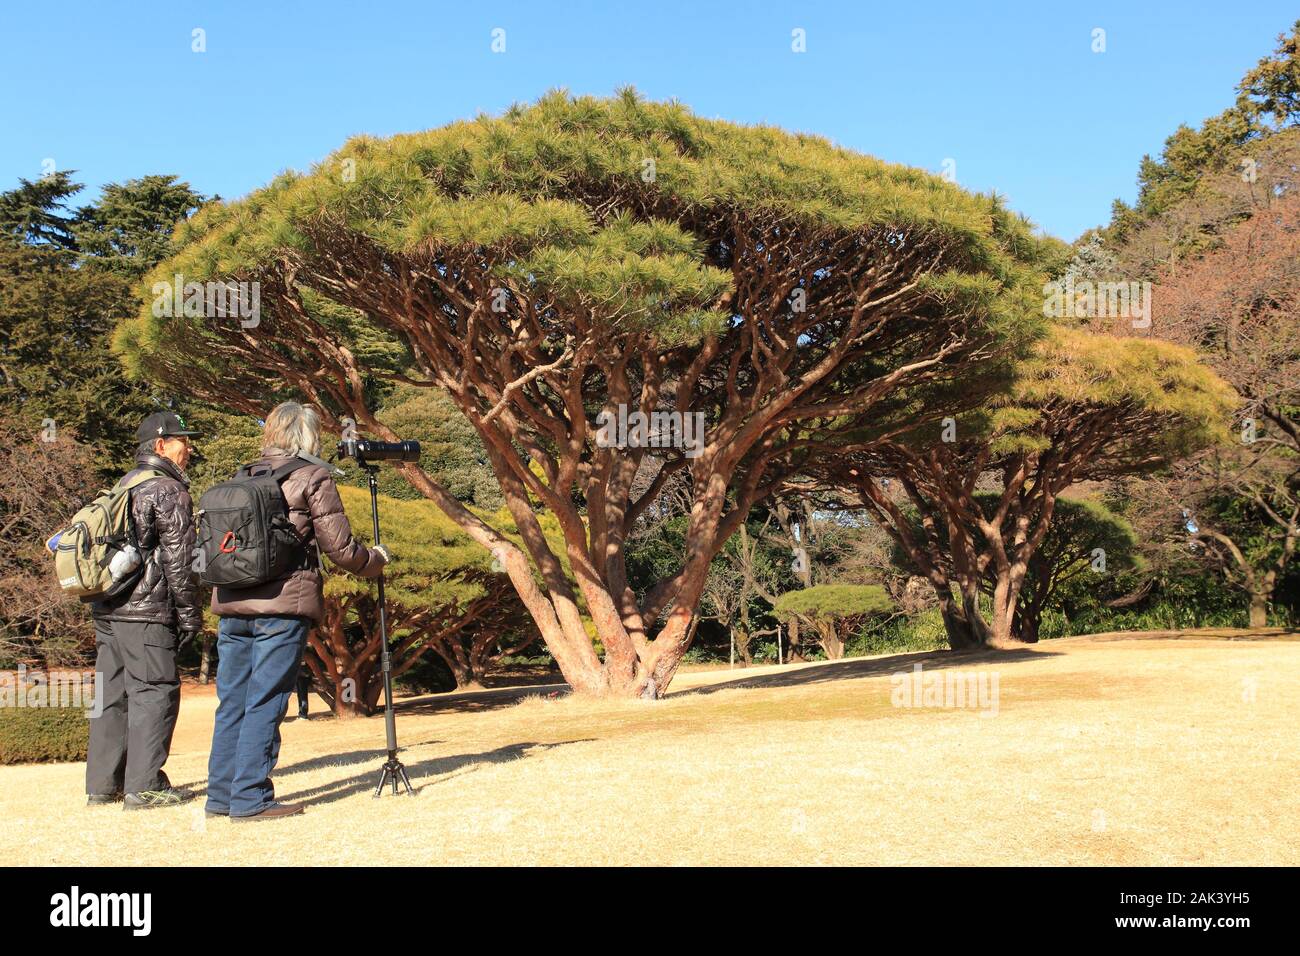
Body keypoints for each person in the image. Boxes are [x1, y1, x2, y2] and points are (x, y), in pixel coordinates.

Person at [206, 402, 388, 821]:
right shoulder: (312, 476)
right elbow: (340, 550)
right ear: (308, 437)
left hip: (233, 605)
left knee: (232, 700)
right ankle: (250, 799)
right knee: (266, 699)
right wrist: (376, 559)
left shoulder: (243, 475)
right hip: (281, 607)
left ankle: (220, 798)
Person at [86, 412, 203, 810]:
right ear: (160, 445)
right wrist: (190, 614)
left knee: (111, 696)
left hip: (108, 609)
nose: (189, 447)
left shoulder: (122, 486)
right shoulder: (168, 490)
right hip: (147, 613)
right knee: (155, 691)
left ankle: (103, 786)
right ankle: (145, 786)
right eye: (181, 440)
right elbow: (181, 560)